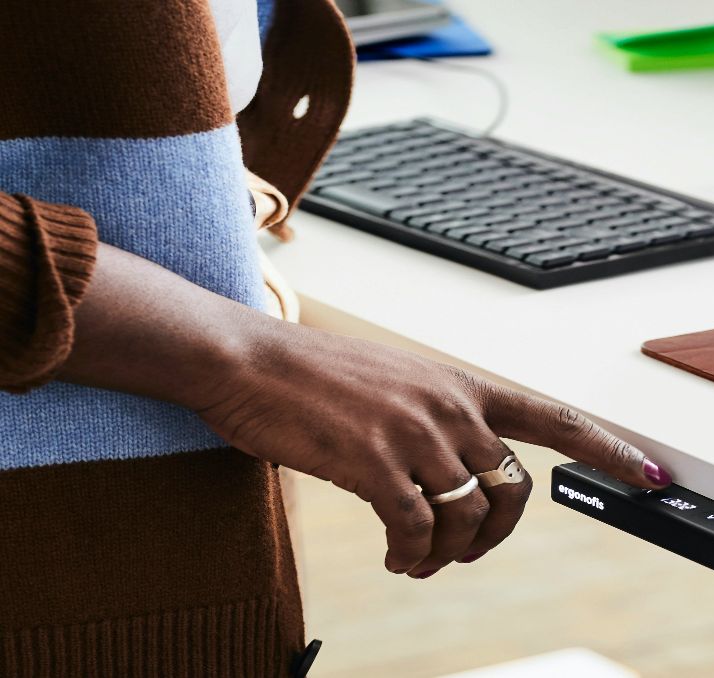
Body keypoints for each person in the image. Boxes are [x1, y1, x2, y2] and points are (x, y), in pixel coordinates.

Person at [0, 1, 671, 675]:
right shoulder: (226, 365)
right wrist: (235, 356)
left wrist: (219, 204)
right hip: (54, 548)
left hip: (177, 518)